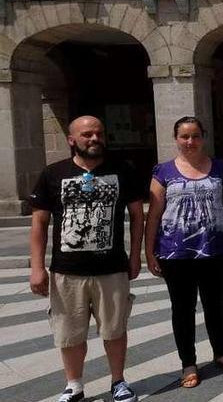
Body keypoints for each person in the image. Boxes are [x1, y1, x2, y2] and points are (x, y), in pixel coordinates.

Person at [28, 116, 143, 402]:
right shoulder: (53, 173)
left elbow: (138, 216)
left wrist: (136, 255)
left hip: (112, 267)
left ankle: (118, 382)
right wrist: (37, 267)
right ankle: (74, 385)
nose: (94, 139)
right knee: (69, 333)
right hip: (67, 270)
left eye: (99, 133)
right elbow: (39, 224)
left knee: (115, 329)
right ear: (71, 140)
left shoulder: (122, 170)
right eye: (87, 134)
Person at [144, 116, 223, 388]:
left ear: (203, 137)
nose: (190, 141)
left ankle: (221, 352)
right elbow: (154, 215)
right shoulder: (163, 171)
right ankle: (188, 363)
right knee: (182, 310)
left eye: (195, 136)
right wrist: (149, 252)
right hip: (175, 255)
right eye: (184, 136)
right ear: (176, 139)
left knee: (215, 305)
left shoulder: (221, 168)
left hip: (214, 251)